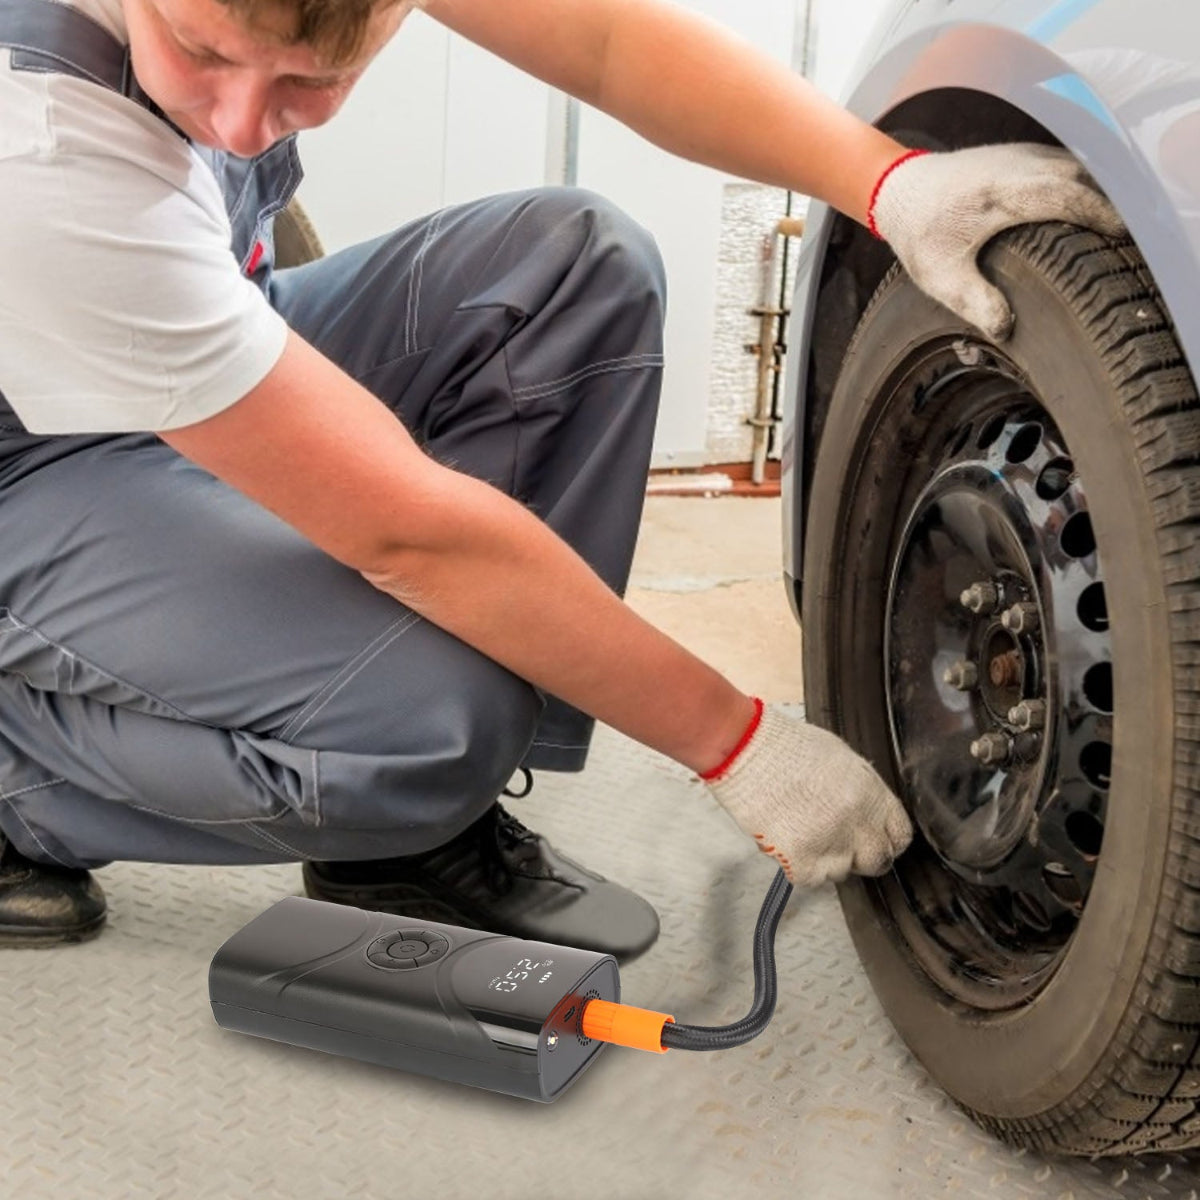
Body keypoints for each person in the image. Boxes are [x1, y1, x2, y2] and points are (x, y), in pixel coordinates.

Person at [0, 0, 1122, 955]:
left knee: (574, 271)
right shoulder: (39, 144)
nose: (241, 122)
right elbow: (409, 537)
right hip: (29, 472)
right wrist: (732, 741)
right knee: (432, 723)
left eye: (309, 79)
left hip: (154, 363)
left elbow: (606, 46)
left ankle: (409, 835)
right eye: (198, 50)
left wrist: (888, 185)